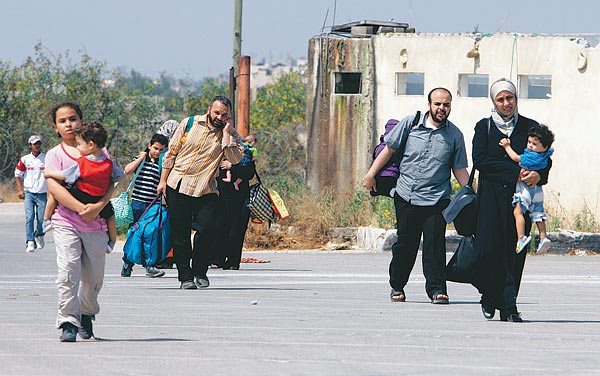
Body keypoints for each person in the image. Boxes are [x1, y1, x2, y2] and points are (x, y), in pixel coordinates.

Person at [363, 87, 469, 305]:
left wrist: (470, 194)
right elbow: (389, 150)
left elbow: (459, 169)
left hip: (437, 199)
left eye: (446, 104)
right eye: (438, 104)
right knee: (406, 245)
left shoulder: (454, 135)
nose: (442, 108)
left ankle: (437, 290)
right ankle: (397, 285)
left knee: (434, 246)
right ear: (429, 104)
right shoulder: (410, 124)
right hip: (407, 195)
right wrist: (371, 174)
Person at [472, 78, 552, 323]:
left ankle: (509, 306)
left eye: (510, 98)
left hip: (521, 201)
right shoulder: (484, 127)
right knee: (488, 250)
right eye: (501, 99)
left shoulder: (530, 126)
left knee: (515, 251)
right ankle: (489, 295)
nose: (506, 103)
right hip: (491, 199)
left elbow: (544, 158)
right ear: (494, 102)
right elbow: (480, 160)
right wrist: (514, 172)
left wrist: (540, 174)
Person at [45, 101, 117, 342]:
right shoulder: (55, 155)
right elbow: (53, 185)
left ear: (81, 122)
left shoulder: (100, 153)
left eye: (73, 119)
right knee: (68, 271)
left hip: (96, 224)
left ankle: (86, 313)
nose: (68, 124)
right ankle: (68, 321)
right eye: (62, 121)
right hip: (66, 220)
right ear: (55, 126)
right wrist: (80, 208)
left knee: (94, 278)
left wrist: (97, 207)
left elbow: (111, 183)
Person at [157, 95, 244, 290]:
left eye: (224, 115)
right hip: (178, 184)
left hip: (206, 189)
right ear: (209, 109)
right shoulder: (189, 123)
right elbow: (171, 153)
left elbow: (235, 158)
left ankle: (200, 270)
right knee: (180, 234)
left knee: (207, 230)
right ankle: (185, 277)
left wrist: (227, 134)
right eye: (216, 113)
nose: (219, 117)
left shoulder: (230, 134)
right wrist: (162, 181)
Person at [44, 120, 124, 254]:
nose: (77, 147)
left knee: (57, 193)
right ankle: (112, 241)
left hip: (81, 193)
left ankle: (46, 220)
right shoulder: (109, 163)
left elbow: (65, 175)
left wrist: (49, 172)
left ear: (91, 145)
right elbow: (120, 176)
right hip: (98, 197)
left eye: (79, 144)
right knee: (110, 216)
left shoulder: (81, 162)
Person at [499, 124, 555, 254]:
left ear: (544, 147)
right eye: (529, 142)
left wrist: (507, 146)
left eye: (534, 144)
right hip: (538, 190)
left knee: (518, 212)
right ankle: (543, 237)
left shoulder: (532, 156)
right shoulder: (546, 155)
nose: (530, 146)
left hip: (526, 189)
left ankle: (521, 237)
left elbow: (515, 158)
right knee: (538, 214)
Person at [120, 133, 169, 278]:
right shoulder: (142, 160)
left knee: (150, 234)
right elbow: (127, 170)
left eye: (161, 150)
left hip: (153, 205)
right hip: (138, 204)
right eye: (155, 148)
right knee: (134, 234)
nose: (157, 152)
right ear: (149, 146)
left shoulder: (163, 165)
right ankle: (127, 263)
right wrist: (141, 157)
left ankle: (150, 265)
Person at [209, 152, 256, 270]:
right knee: (217, 228)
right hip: (218, 199)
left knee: (236, 231)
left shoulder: (243, 156)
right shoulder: (216, 153)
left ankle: (232, 261)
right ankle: (216, 259)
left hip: (239, 201)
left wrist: (233, 167)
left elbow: (249, 173)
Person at [15, 135, 48, 252]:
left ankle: (39, 235)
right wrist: (20, 190)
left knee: (41, 218)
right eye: (35, 144)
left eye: (39, 143)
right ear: (30, 146)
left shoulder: (46, 158)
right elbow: (18, 174)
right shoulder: (25, 159)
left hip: (42, 193)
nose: (37, 146)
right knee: (29, 217)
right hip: (29, 192)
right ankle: (30, 241)